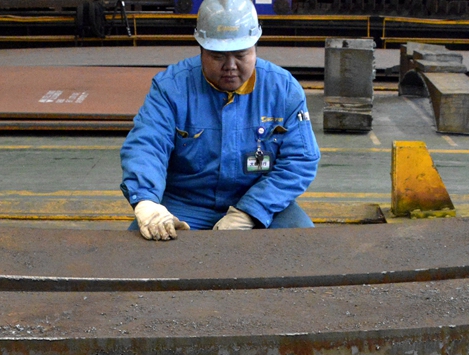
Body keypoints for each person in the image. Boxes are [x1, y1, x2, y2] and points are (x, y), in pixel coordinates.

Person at [120, 0, 320, 240]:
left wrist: (251, 211)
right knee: (136, 257)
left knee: (305, 246)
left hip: (262, 202)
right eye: (218, 56)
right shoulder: (170, 88)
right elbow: (147, 145)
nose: (230, 67)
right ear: (201, 48)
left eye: (241, 54)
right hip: (184, 205)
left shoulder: (283, 90)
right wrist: (147, 202)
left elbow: (301, 159)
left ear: (255, 45)